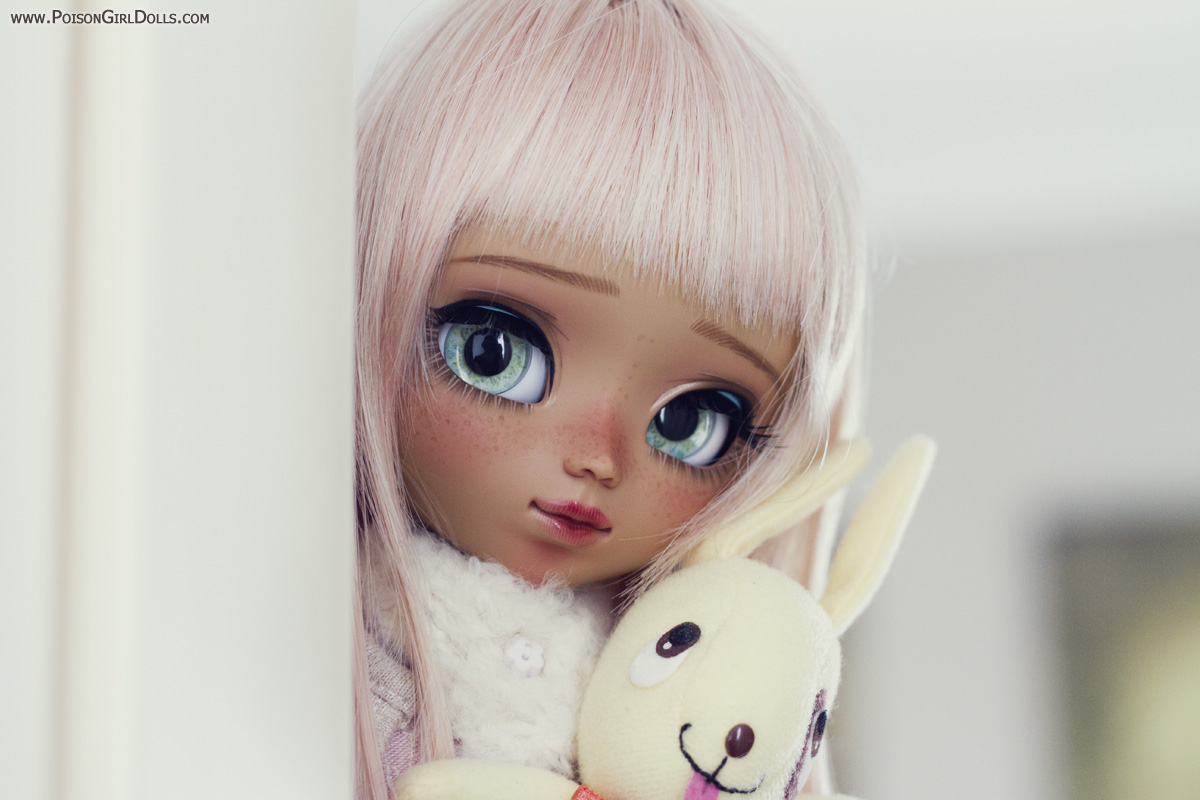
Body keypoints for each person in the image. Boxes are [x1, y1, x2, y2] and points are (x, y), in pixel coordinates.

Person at [354, 1, 868, 798]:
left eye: (691, 422)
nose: (598, 457)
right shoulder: (336, 658)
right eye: (496, 352)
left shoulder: (695, 700)